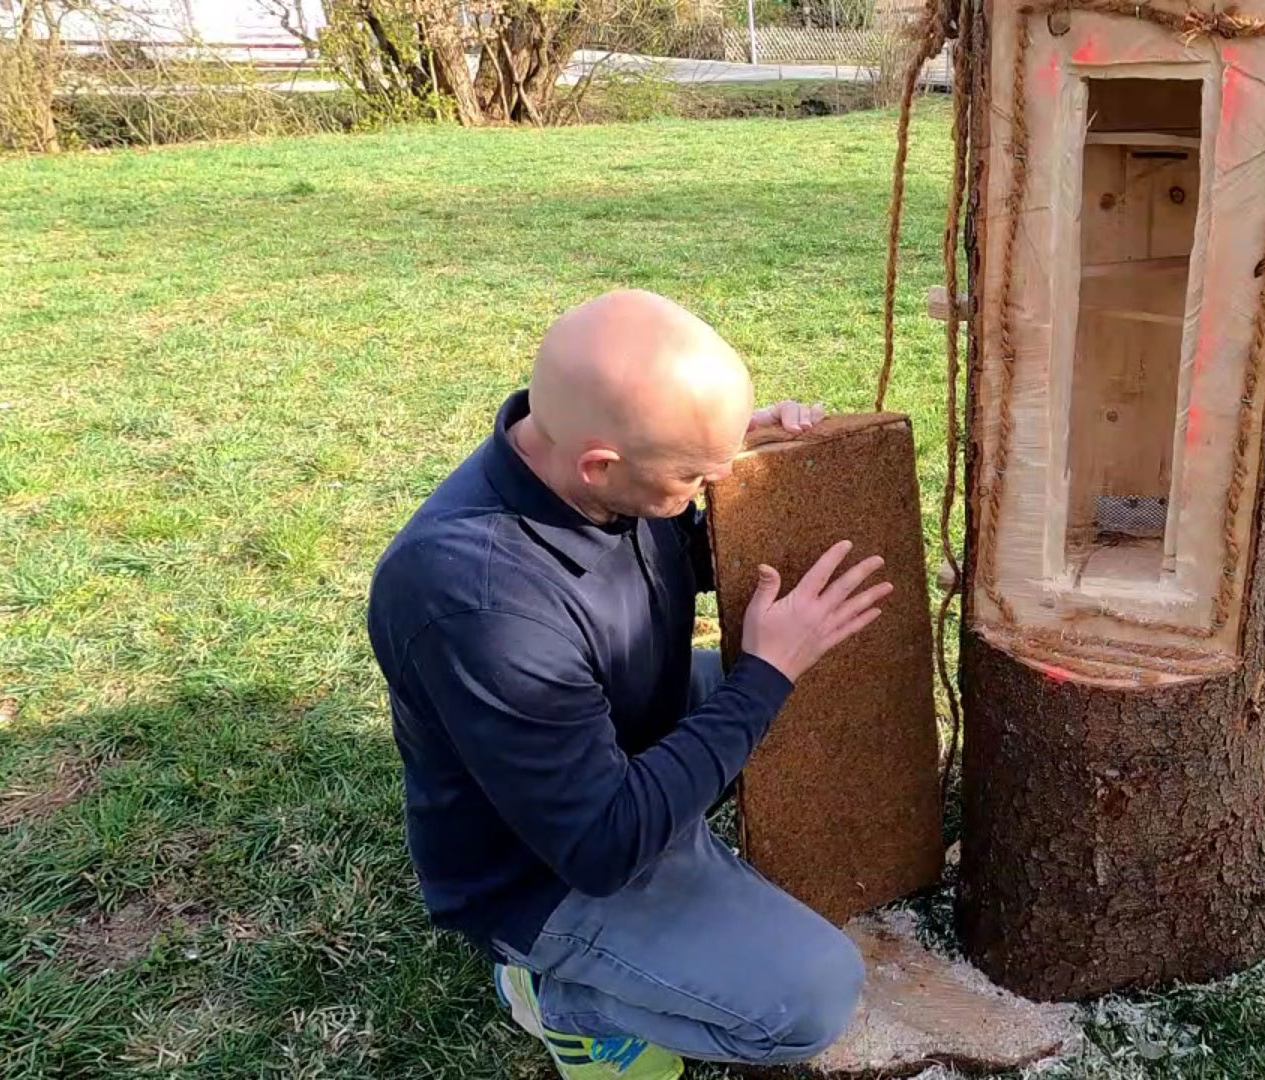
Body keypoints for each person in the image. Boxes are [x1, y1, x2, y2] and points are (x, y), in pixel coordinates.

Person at [366, 290, 891, 1079]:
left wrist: (750, 476)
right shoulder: (475, 600)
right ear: (600, 463)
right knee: (812, 998)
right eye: (692, 475)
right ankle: (554, 997)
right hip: (546, 871)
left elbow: (681, 553)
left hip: (626, 731)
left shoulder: (589, 471)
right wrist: (763, 678)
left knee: (816, 675)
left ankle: (699, 859)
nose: (701, 485)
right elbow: (602, 847)